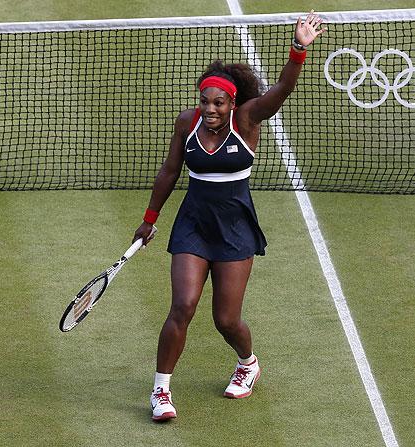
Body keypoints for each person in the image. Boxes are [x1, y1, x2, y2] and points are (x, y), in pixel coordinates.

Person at [133, 11, 326, 422]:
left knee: (226, 319)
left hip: (235, 227)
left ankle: (247, 363)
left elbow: (283, 90)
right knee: (182, 306)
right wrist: (149, 219)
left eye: (217, 102)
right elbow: (169, 171)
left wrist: (298, 48)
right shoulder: (187, 123)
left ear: (232, 102)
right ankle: (161, 391)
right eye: (204, 101)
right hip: (193, 225)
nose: (210, 109)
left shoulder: (248, 120)